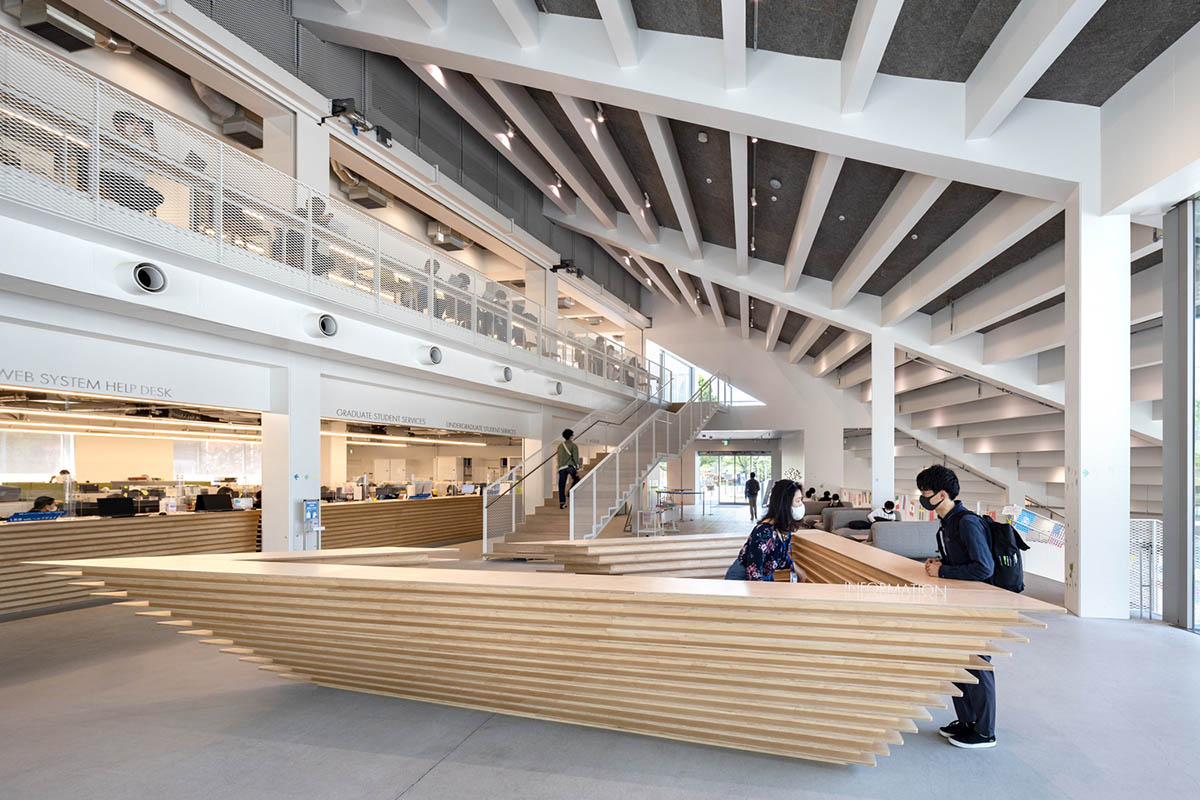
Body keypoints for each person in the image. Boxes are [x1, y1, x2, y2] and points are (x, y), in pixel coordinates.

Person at [917, 464, 997, 750]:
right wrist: (941, 565)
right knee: (958, 662)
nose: (921, 497)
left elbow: (983, 568)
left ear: (941, 494)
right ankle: (966, 722)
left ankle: (985, 732)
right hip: (960, 600)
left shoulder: (966, 522)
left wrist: (944, 573)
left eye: (925, 492)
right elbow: (962, 560)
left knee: (978, 664)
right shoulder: (948, 520)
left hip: (978, 603)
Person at [724, 480, 807, 582]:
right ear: (785, 503)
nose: (801, 505)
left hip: (764, 575)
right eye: (798, 501)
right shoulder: (764, 532)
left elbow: (782, 555)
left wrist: (797, 570)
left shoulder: (784, 528)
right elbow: (753, 572)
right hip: (742, 579)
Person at [556, 429, 582, 509]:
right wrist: (577, 468)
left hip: (561, 468)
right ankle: (570, 492)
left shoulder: (560, 446)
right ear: (571, 436)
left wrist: (560, 467)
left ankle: (562, 503)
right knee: (577, 479)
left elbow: (559, 458)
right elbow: (575, 458)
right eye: (573, 435)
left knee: (561, 485)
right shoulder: (573, 446)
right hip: (569, 467)